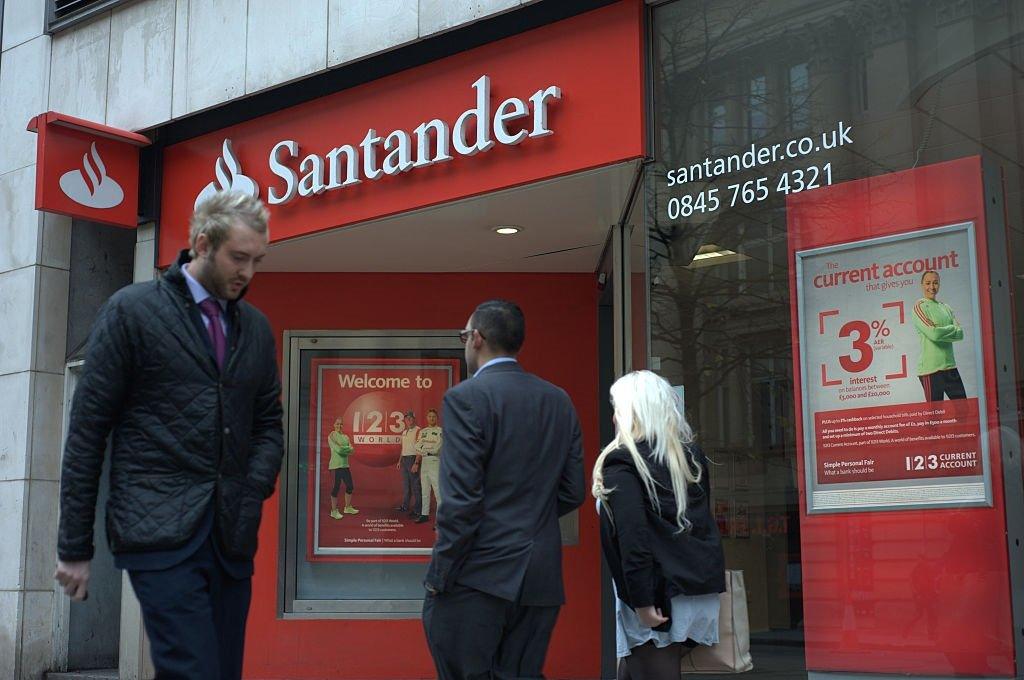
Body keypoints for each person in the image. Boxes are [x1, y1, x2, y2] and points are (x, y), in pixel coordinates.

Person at [53, 191, 284, 680]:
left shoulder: (256, 330)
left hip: (231, 535)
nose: (248, 272)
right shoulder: (131, 312)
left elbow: (268, 425)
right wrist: (75, 547)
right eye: (238, 258)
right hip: (156, 531)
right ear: (202, 244)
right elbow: (87, 433)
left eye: (256, 260)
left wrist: (251, 489)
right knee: (192, 671)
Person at [422, 299, 585, 680]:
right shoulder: (558, 400)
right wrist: (529, 518)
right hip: (540, 577)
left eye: (464, 335)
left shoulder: (466, 398)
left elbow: (460, 502)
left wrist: (439, 575)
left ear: (476, 338)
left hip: (477, 573)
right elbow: (573, 490)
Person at [593, 370, 725, 680]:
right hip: (695, 588)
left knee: (651, 667)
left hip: (655, 593)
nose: (614, 416)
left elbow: (632, 537)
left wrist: (641, 600)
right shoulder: (689, 457)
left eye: (618, 407)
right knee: (636, 668)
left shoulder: (621, 461)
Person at [913, 270, 967, 401]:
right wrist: (951, 329)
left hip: (950, 367)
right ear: (922, 285)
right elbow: (934, 334)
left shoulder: (946, 307)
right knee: (935, 417)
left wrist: (940, 330)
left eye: (935, 283)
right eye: (928, 283)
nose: (932, 287)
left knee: (964, 410)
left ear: (939, 285)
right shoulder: (919, 307)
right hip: (930, 370)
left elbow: (960, 334)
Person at [413, 408, 443, 524]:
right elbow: (417, 446)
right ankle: (424, 514)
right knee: (425, 490)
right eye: (430, 416)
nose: (431, 418)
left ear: (437, 418)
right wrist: (425, 450)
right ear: (427, 418)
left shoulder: (441, 431)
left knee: (438, 491)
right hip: (424, 462)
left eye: (434, 416)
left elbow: (437, 448)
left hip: (435, 461)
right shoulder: (423, 431)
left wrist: (425, 449)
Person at [328, 418, 358, 519]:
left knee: (350, 486)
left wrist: (344, 448)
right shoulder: (331, 435)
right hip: (335, 466)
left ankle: (347, 507)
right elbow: (339, 450)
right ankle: (334, 511)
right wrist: (346, 449)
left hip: (345, 466)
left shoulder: (346, 437)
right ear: (334, 424)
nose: (339, 426)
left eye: (341, 424)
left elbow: (352, 450)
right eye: (337, 424)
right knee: (335, 488)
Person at [396, 410, 422, 516]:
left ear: (414, 418)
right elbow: (403, 448)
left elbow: (420, 448)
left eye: (410, 418)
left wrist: (416, 463)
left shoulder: (419, 431)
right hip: (404, 460)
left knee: (415, 485)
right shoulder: (404, 432)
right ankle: (405, 506)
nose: (408, 420)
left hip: (413, 459)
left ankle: (418, 509)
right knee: (406, 485)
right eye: (407, 418)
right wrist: (399, 461)